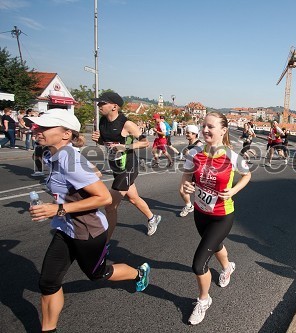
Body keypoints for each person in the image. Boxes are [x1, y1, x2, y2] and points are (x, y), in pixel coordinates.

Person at [27, 108, 150, 332]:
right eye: (38, 126)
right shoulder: (51, 153)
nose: (38, 130)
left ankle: (138, 272)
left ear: (66, 134)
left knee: (98, 274)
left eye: (45, 127)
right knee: (48, 283)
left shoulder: (68, 158)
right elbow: (96, 173)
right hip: (65, 228)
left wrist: (58, 209)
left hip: (88, 231)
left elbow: (103, 197)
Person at [181, 112, 251, 325]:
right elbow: (186, 176)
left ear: (223, 130)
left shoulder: (232, 157)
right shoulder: (194, 152)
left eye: (210, 127)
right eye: (203, 126)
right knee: (215, 244)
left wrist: (233, 191)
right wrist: (185, 186)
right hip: (201, 213)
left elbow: (247, 175)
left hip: (222, 216)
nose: (205, 130)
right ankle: (228, 266)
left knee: (199, 263)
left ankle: (204, 300)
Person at [91, 92, 161, 240]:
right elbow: (107, 143)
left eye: (102, 103)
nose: (99, 106)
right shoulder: (102, 122)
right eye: (99, 103)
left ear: (114, 106)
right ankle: (152, 217)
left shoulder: (126, 124)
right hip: (116, 167)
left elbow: (145, 142)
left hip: (128, 168)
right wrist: (98, 140)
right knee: (133, 198)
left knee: (110, 206)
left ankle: (105, 244)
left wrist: (125, 147)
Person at [179, 124, 204, 218]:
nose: (187, 134)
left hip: (195, 171)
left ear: (195, 134)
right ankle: (189, 206)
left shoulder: (199, 145)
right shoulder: (191, 143)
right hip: (188, 170)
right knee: (183, 190)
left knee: (186, 190)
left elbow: (201, 160)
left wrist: (188, 155)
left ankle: (192, 206)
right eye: (187, 132)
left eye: (189, 133)